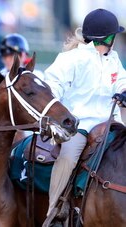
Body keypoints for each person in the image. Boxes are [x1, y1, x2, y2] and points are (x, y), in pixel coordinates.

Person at [43, 8, 126, 222]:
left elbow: (122, 82)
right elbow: (53, 85)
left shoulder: (113, 59)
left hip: (111, 125)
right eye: (114, 36)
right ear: (107, 38)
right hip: (80, 125)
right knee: (68, 158)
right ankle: (54, 209)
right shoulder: (72, 58)